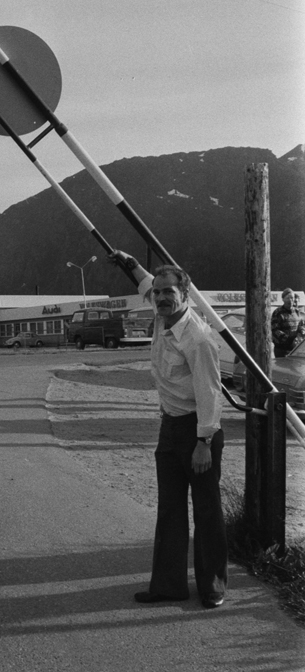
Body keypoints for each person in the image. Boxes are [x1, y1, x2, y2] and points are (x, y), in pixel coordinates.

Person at [111, 251, 228, 609]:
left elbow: (210, 393)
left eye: (169, 292)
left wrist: (204, 442)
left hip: (198, 431)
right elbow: (145, 280)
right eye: (157, 292)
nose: (160, 297)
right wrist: (130, 263)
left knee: (206, 509)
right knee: (170, 508)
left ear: (185, 295)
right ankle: (168, 585)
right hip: (169, 427)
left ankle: (213, 587)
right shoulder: (163, 316)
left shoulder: (198, 338)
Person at [271, 289, 305, 358]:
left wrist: (302, 331)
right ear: (283, 299)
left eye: (292, 298)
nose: (290, 300)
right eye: (287, 298)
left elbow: (301, 325)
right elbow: (275, 330)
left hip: (295, 349)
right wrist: (289, 339)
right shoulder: (278, 312)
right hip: (281, 349)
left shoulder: (297, 312)